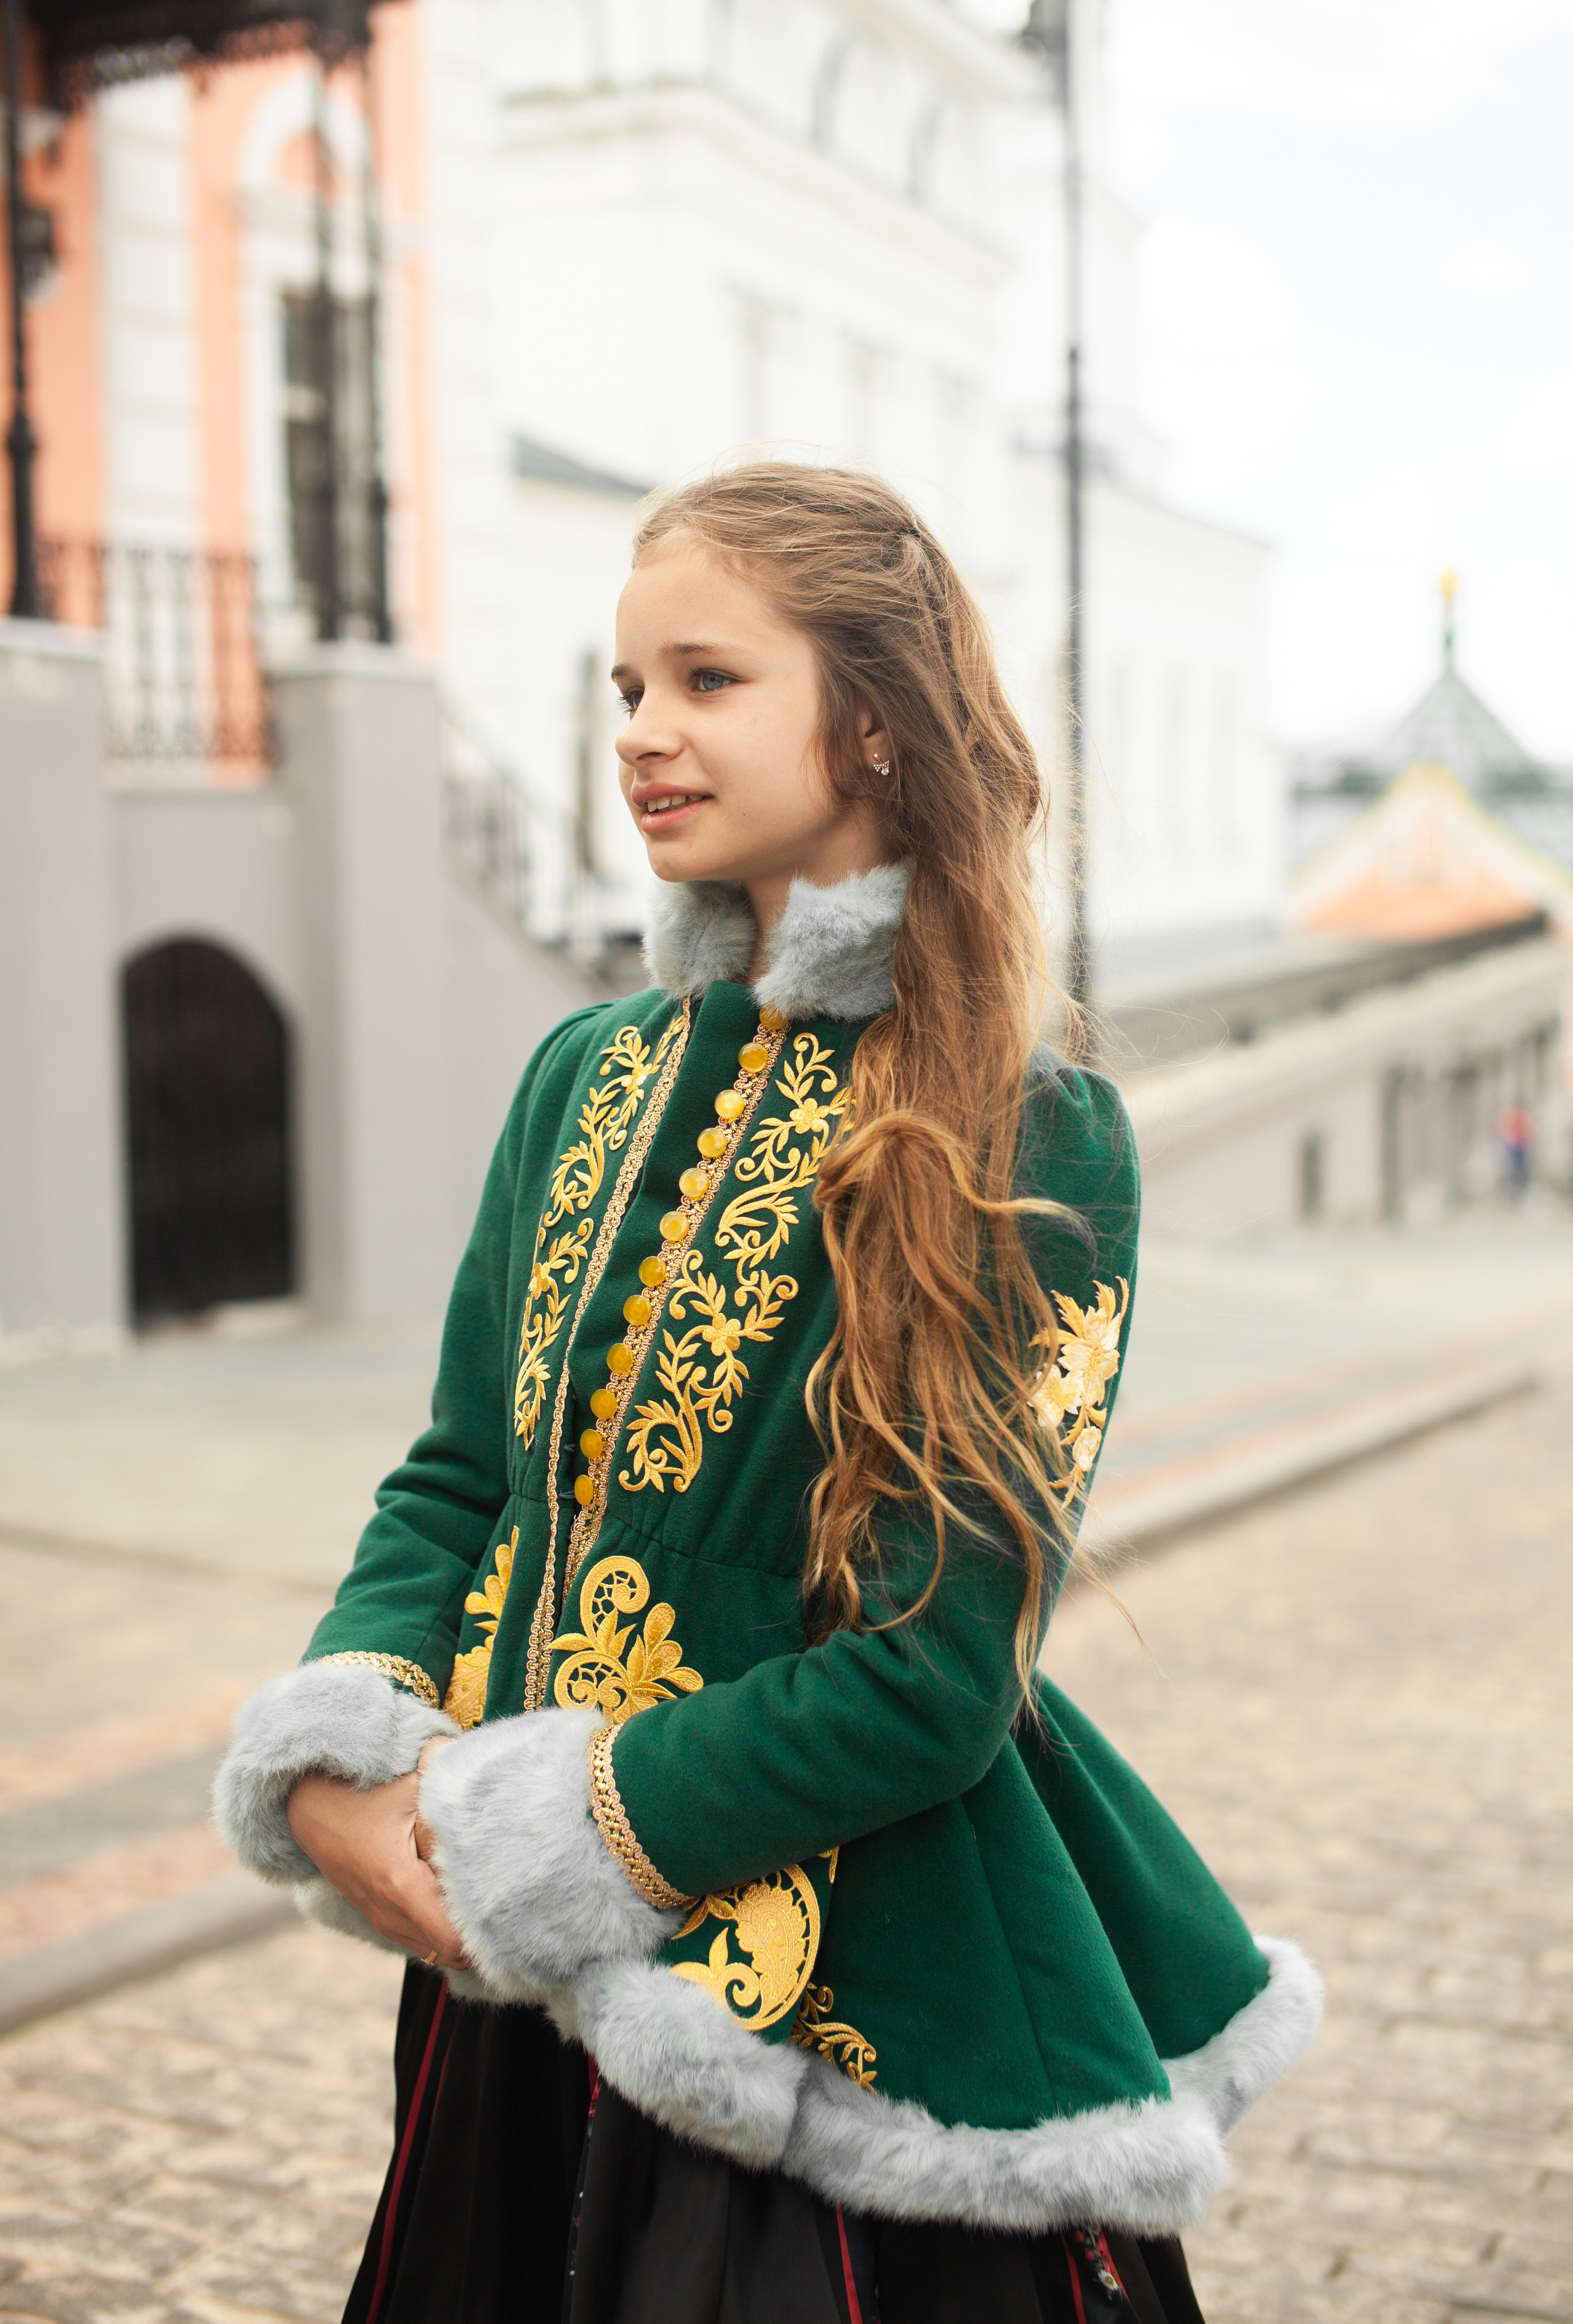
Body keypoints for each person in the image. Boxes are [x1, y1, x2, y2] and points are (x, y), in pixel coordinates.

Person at [217, 464, 1319, 2324]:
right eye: (624, 689)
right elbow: (458, 1478)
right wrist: (344, 1752)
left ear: (872, 720)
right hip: (515, 1988)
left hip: (842, 2027)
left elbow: (934, 1673)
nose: (642, 734)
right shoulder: (583, 1072)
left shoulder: (1025, 1133)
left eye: (707, 682)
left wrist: (565, 1833)